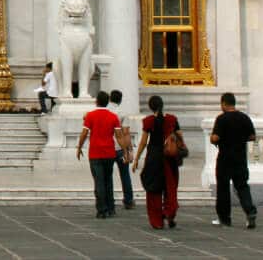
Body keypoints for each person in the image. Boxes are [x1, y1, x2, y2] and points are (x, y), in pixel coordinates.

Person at [75, 90, 128, 219]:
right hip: (109, 152)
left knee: (99, 181)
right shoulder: (113, 117)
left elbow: (84, 133)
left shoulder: (90, 116)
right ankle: (111, 208)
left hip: (95, 153)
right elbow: (119, 136)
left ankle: (102, 208)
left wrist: (79, 146)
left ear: (96, 101)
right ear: (107, 102)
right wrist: (125, 151)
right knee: (108, 180)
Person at [133, 94, 182, 230]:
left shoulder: (148, 121)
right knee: (170, 186)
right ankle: (169, 212)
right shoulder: (172, 119)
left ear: (150, 107)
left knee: (154, 189)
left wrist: (137, 158)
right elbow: (180, 136)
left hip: (154, 156)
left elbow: (143, 142)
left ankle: (157, 221)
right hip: (169, 157)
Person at [211, 91, 258, 229]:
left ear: (224, 103)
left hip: (225, 157)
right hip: (240, 157)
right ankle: (250, 211)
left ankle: (224, 218)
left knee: (223, 188)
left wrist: (214, 139)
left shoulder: (222, 119)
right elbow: (252, 136)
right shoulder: (244, 117)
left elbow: (215, 138)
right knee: (242, 186)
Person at [109, 89, 135, 209]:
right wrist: (129, 150)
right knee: (125, 175)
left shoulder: (106, 112)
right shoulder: (122, 113)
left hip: (108, 148)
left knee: (107, 176)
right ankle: (128, 200)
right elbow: (126, 133)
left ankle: (109, 200)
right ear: (120, 100)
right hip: (120, 148)